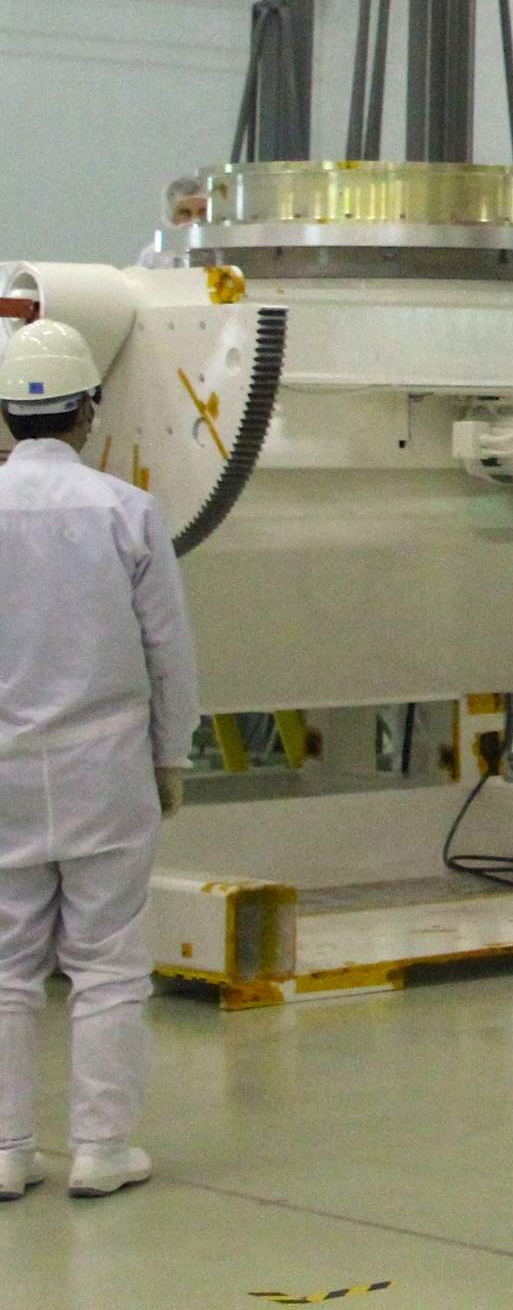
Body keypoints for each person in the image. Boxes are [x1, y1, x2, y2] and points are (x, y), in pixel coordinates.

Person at [0, 319, 197, 1200]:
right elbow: (168, 652)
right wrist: (171, 756)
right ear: (88, 410)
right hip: (105, 771)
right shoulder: (127, 511)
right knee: (109, 962)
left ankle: (6, 1151)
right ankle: (101, 1148)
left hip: (3, 772)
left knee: (5, 969)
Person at [132, 177, 206, 272]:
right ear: (170, 217)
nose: (194, 220)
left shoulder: (222, 252)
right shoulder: (153, 256)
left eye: (203, 212)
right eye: (185, 212)